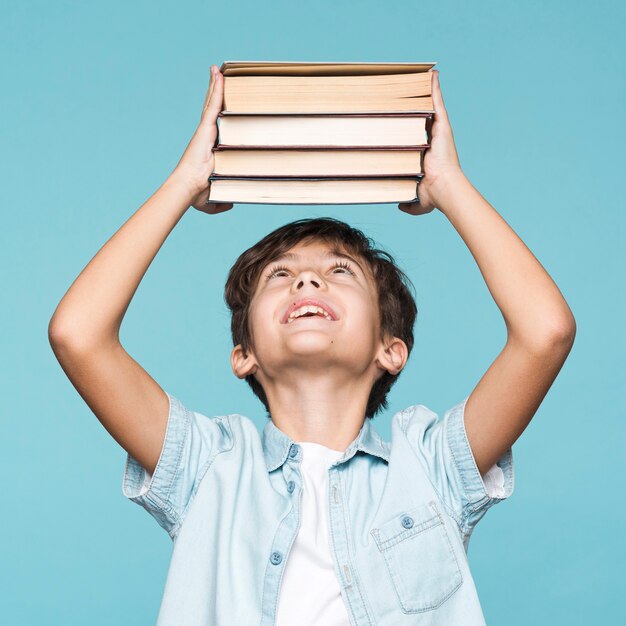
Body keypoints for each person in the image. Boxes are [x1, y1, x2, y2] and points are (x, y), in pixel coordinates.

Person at [48, 64, 576, 625]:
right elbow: (78, 335)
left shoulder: (432, 465)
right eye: (280, 275)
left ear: (390, 349)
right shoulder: (207, 468)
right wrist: (184, 183)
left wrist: (449, 185)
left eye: (340, 271)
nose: (306, 280)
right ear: (243, 354)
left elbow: (545, 333)